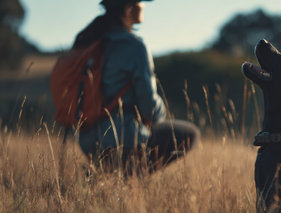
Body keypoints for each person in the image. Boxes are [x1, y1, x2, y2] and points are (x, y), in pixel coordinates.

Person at [74, 0, 200, 176]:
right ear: (128, 8)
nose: (143, 6)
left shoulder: (88, 40)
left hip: (86, 140)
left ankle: (103, 174)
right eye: (141, 2)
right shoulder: (134, 46)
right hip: (123, 139)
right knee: (189, 133)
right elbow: (150, 108)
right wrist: (160, 112)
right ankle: (128, 177)